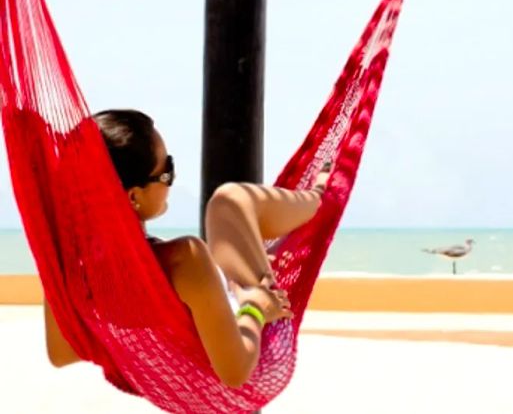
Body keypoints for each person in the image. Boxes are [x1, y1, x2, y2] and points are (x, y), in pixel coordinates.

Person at [43, 108, 330, 388]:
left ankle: (309, 202)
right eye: (166, 172)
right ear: (132, 197)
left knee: (230, 219)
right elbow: (235, 372)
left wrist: (132, 356)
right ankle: (319, 197)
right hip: (256, 351)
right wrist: (256, 308)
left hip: (190, 360)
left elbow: (61, 353)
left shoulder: (72, 270)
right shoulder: (182, 260)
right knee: (229, 200)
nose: (172, 180)